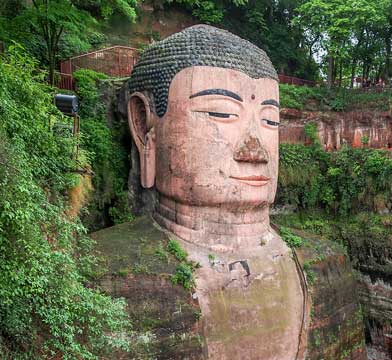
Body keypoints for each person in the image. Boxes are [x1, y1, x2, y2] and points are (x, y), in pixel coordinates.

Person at [98, 25, 306, 359]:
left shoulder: (324, 264)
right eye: (221, 113)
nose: (255, 150)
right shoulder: (101, 277)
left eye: (270, 120)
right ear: (143, 124)